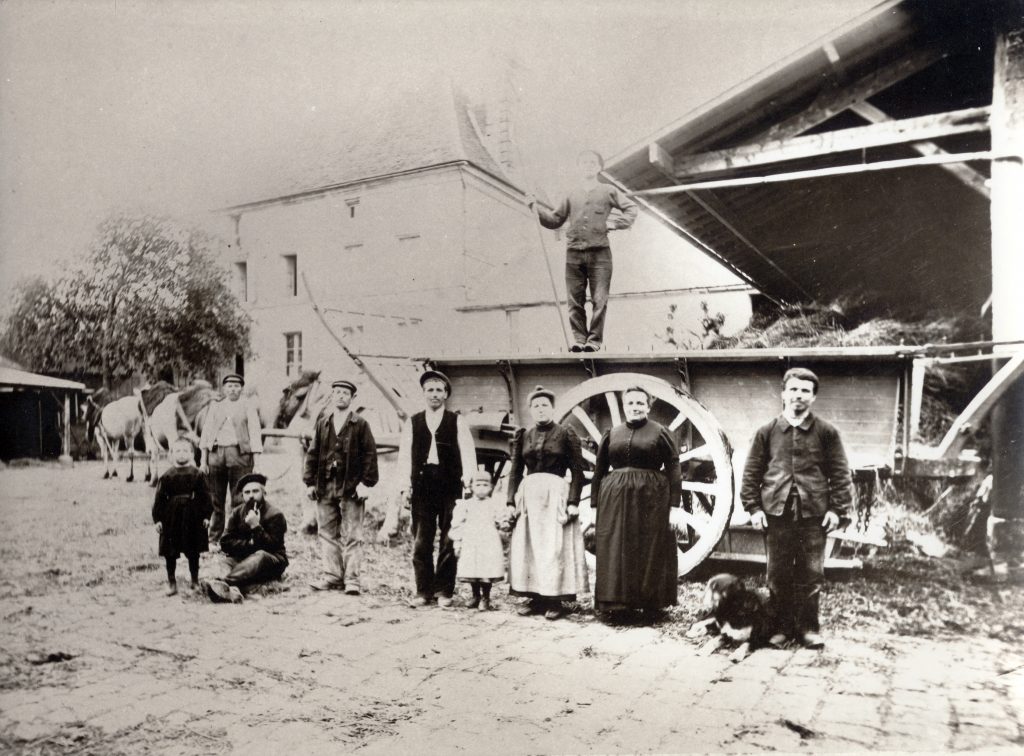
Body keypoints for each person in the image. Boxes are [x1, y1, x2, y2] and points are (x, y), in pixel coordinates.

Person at [740, 367, 852, 649]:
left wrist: (836, 510)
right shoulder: (766, 432)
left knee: (811, 574)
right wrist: (754, 508)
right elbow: (751, 473)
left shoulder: (827, 432)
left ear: (813, 397)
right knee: (777, 575)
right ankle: (781, 628)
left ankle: (808, 630)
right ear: (783, 394)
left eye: (805, 391)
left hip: (814, 514)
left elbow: (840, 474)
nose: (798, 396)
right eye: (793, 389)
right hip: (775, 515)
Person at [527, 150, 638, 352]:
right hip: (574, 254)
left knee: (599, 300)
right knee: (574, 301)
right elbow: (554, 220)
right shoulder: (571, 193)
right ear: (578, 167)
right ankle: (579, 340)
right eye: (584, 162)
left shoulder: (608, 190)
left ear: (599, 167)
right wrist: (534, 208)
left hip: (600, 254)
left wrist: (616, 224)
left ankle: (594, 342)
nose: (588, 165)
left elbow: (631, 208)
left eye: (592, 162)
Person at [591, 385, 681, 616]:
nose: (635, 407)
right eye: (630, 403)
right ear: (624, 407)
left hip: (651, 499)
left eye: (640, 403)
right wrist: (594, 506)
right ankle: (618, 605)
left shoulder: (660, 432)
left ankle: (652, 604)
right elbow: (599, 470)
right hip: (615, 501)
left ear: (648, 407)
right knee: (617, 547)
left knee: (649, 547)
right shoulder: (612, 433)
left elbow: (673, 468)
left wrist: (674, 506)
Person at [506, 386, 588, 620]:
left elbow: (578, 470)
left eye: (545, 405)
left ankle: (555, 600)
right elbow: (515, 471)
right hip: (530, 496)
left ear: (552, 408)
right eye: (536, 406)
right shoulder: (524, 435)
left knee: (554, 547)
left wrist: (573, 501)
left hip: (555, 494)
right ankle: (535, 598)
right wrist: (510, 501)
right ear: (530, 410)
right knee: (531, 546)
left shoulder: (565, 433)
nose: (541, 409)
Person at [396, 370, 477, 608]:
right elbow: (404, 458)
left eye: (439, 390)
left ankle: (444, 591)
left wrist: (468, 482)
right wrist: (404, 487)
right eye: (430, 390)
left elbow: (468, 454)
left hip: (450, 487)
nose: (434, 394)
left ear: (446, 395)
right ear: (423, 394)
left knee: (448, 540)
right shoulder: (413, 422)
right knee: (422, 540)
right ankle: (423, 591)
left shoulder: (456, 421)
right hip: (422, 488)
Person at [303, 379, 379, 595]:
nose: (340, 396)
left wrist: (366, 483)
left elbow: (370, 456)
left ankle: (352, 580)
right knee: (326, 532)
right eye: (336, 392)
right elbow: (313, 453)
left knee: (353, 534)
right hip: (325, 485)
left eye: (345, 393)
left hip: (351, 487)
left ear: (352, 398)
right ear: (332, 395)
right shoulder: (323, 423)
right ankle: (332, 576)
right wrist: (309, 482)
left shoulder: (361, 424)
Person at [203, 473, 288, 603]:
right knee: (224, 562)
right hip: (244, 560)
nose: (251, 495)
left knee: (260, 555)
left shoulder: (275, 514)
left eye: (255, 491)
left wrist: (256, 526)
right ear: (242, 496)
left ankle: (223, 583)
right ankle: (232, 591)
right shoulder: (237, 513)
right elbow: (225, 543)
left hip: (271, 561)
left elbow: (273, 546)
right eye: (247, 492)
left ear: (264, 493)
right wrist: (249, 544)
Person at [199, 374, 263, 544]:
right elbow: (206, 433)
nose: (233, 389)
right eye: (229, 386)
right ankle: (214, 538)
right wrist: (203, 461)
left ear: (241, 388)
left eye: (236, 386)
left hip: (240, 456)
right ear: (224, 389)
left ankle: (237, 535)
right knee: (215, 498)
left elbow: (255, 434)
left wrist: (256, 462)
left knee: (239, 498)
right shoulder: (215, 407)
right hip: (216, 456)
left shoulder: (248, 407)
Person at [152, 437, 212, 596]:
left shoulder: (198, 474)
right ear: (171, 454)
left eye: (185, 450)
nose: (181, 453)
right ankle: (171, 582)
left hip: (192, 516)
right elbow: (159, 500)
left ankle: (194, 581)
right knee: (170, 551)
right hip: (171, 517)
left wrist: (206, 516)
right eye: (177, 450)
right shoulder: (166, 476)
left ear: (192, 454)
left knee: (193, 550)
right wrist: (158, 519)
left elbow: (205, 497)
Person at [450, 470, 507, 612]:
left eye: (485, 485)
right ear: (471, 486)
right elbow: (458, 524)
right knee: (472, 570)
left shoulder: (494, 504)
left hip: (488, 542)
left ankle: (485, 597)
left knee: (486, 570)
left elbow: (501, 519)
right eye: (478, 484)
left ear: (491, 487)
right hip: (471, 541)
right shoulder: (465, 505)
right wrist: (458, 542)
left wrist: (504, 522)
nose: (481, 488)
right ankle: (475, 595)